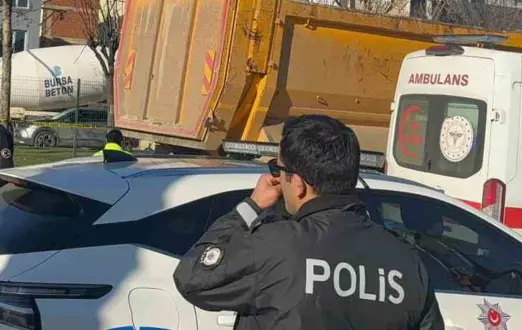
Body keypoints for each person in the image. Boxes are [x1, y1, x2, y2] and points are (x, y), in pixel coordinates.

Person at [173, 114, 442, 330]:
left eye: (277, 169)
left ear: (299, 184)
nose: (276, 178)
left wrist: (250, 206)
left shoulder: (276, 247)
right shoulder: (407, 263)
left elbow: (192, 277)